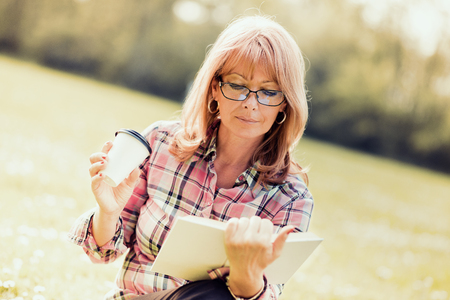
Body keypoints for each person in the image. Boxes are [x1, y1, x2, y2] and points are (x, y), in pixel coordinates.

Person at [68, 14, 313, 300]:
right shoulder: (160, 143)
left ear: (284, 103)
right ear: (214, 88)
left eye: (269, 92)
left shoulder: (292, 197)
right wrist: (108, 211)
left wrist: (247, 276)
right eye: (237, 85)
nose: (251, 103)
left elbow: (270, 293)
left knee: (217, 295)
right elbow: (102, 253)